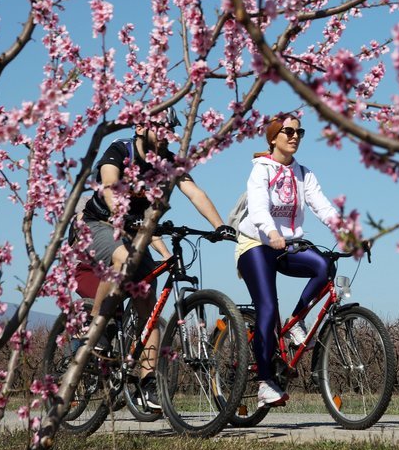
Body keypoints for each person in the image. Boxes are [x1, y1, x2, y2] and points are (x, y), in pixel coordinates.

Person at [81, 108, 235, 409]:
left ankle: (147, 383)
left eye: (171, 128)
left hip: (137, 231)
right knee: (122, 258)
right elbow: (110, 184)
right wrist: (120, 213)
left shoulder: (167, 162)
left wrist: (220, 226)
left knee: (148, 302)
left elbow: (194, 192)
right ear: (141, 127)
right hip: (100, 224)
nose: (167, 133)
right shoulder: (120, 150)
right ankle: (96, 327)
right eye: (161, 126)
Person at [235, 113, 338, 408]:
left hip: (286, 245)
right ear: (273, 137)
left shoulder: (304, 174)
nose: (295, 136)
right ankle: (265, 383)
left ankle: (297, 322)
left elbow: (323, 207)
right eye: (288, 131)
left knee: (324, 267)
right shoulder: (261, 170)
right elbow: (258, 206)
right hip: (256, 242)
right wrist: (269, 231)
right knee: (268, 306)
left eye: (299, 132)